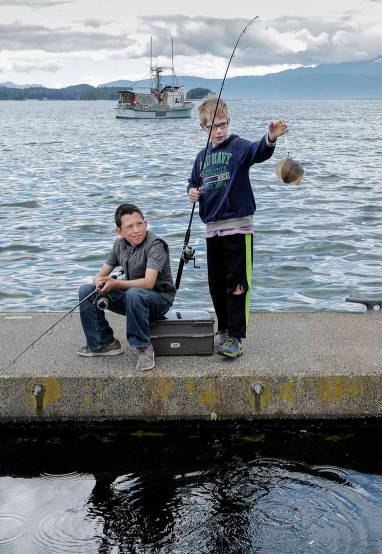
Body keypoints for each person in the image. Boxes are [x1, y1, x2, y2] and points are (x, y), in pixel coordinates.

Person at [186, 96, 287, 359]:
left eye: (222, 125)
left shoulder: (238, 146)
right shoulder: (201, 158)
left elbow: (259, 151)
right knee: (216, 285)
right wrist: (192, 192)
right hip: (212, 229)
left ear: (229, 122)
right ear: (202, 127)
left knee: (237, 284)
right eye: (212, 127)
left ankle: (236, 336)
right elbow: (193, 183)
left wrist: (271, 137)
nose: (218, 131)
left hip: (238, 229)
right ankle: (224, 328)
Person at [77, 203, 175, 371]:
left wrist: (116, 283)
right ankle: (103, 343)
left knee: (134, 294)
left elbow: (148, 283)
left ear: (146, 223)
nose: (136, 230)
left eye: (140, 224)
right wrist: (100, 282)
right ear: (119, 231)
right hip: (132, 297)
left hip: (159, 300)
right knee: (87, 290)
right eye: (129, 227)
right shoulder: (119, 245)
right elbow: (99, 275)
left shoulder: (156, 245)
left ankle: (143, 347)